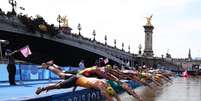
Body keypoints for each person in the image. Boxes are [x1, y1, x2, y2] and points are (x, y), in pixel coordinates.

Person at [36, 62, 121, 101]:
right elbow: (107, 94)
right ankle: (42, 87)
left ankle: (50, 66)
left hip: (78, 78)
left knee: (61, 75)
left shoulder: (104, 82)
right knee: (59, 80)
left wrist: (74, 87)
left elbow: (113, 94)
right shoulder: (102, 85)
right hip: (76, 78)